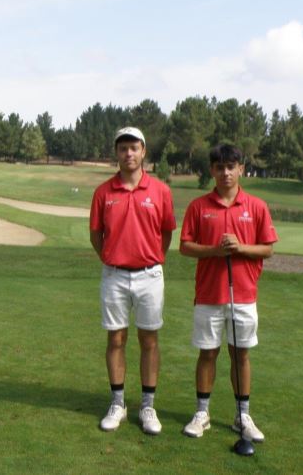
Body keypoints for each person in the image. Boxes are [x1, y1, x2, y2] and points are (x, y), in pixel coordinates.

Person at [179, 144, 278, 442]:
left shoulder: (256, 206)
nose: (225, 173)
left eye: (231, 167)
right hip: (209, 294)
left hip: (244, 294)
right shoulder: (199, 206)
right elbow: (184, 246)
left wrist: (240, 248)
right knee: (207, 353)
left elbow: (268, 248)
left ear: (241, 169)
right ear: (212, 170)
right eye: (219, 167)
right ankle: (202, 413)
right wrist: (215, 250)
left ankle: (242, 415)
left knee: (241, 354)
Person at [89, 126, 176, 435]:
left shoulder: (161, 191)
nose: (128, 153)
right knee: (115, 339)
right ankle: (117, 403)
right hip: (114, 275)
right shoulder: (103, 192)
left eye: (134, 148)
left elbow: (166, 233)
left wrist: (150, 258)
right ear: (117, 153)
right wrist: (114, 258)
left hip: (150, 275)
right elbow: (96, 235)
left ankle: (148, 406)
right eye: (123, 148)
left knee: (149, 340)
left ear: (143, 152)